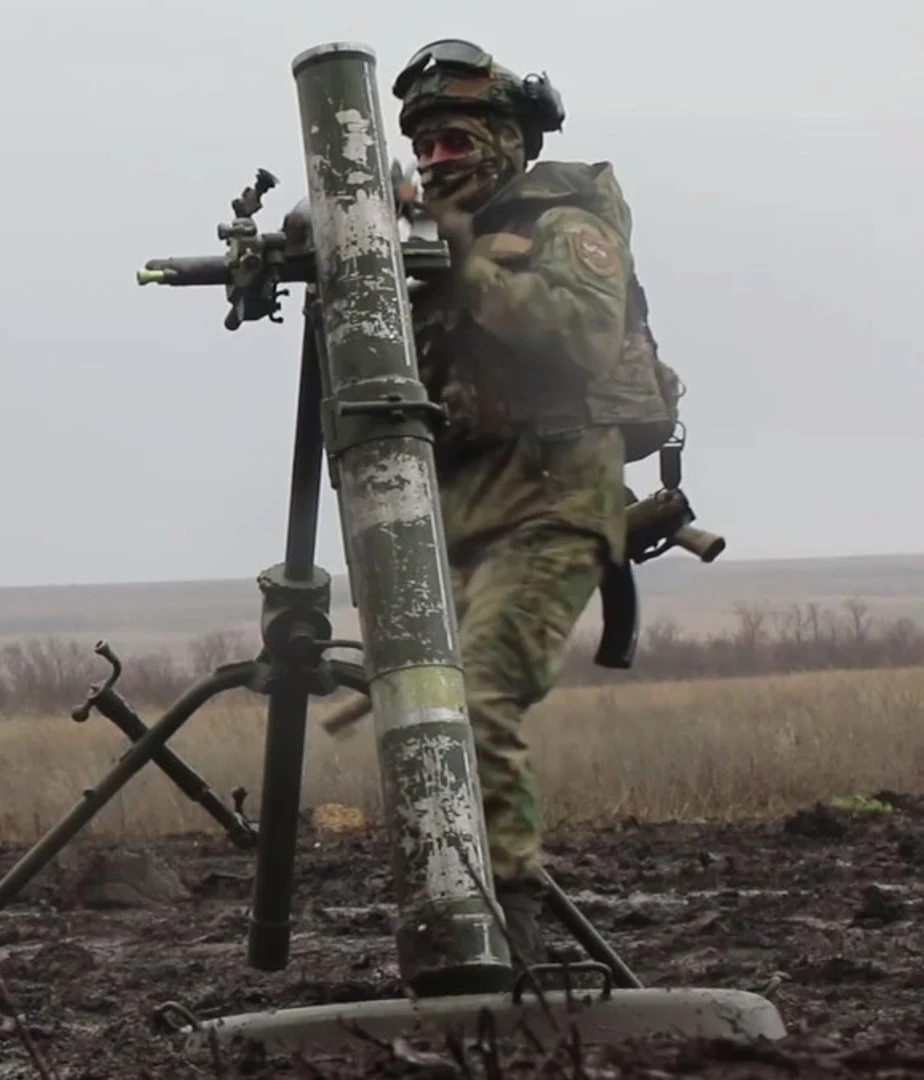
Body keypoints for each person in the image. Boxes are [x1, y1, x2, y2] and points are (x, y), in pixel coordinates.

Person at [389, 39, 681, 969]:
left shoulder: (564, 216)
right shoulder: (431, 247)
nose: (438, 163)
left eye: (455, 143)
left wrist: (462, 261)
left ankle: (506, 931)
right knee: (420, 714)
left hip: (556, 497)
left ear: (506, 141)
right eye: (424, 149)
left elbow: (579, 337)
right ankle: (461, 913)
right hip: (465, 510)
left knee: (474, 704)